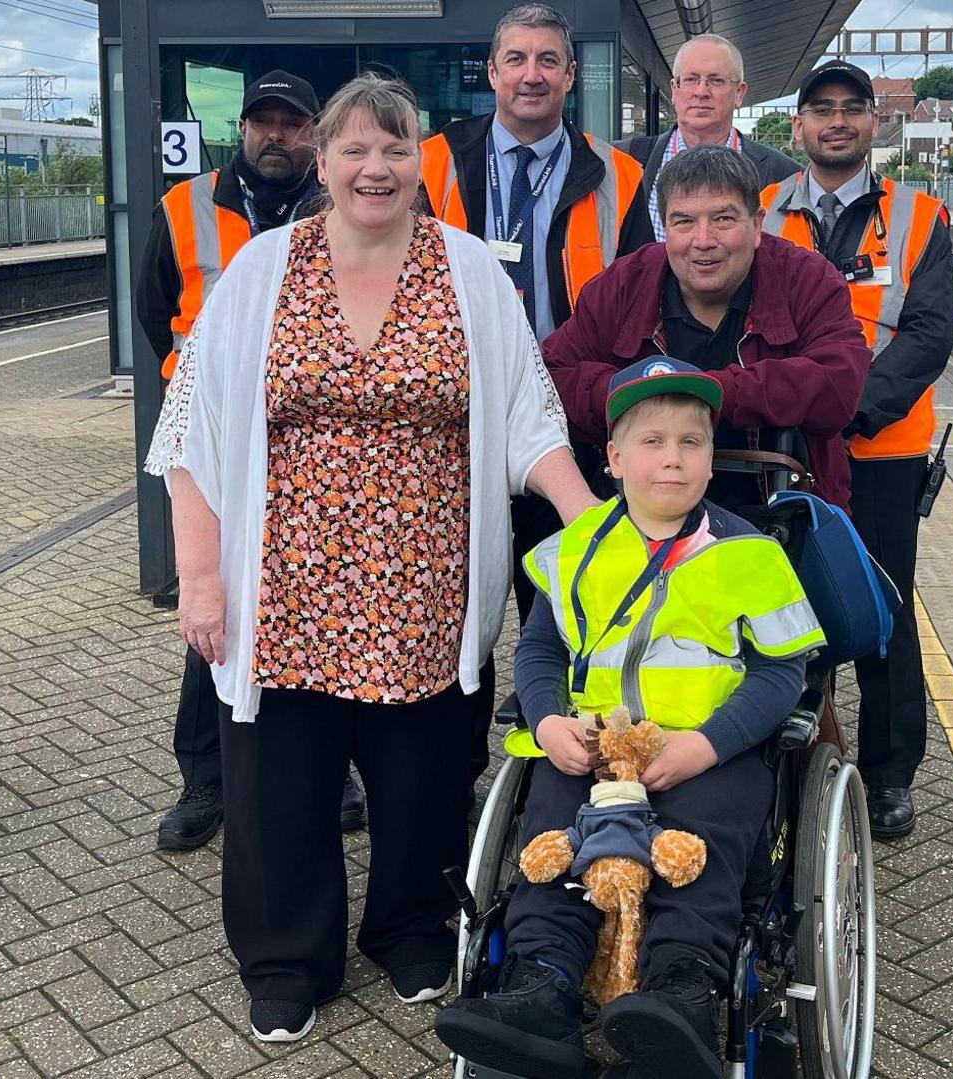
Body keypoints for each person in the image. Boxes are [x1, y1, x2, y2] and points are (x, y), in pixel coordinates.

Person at [143, 73, 599, 1043]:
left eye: (394, 148)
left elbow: (529, 419)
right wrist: (202, 575)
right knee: (281, 785)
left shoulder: (472, 271)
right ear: (323, 162)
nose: (375, 166)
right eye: (354, 148)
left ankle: (410, 925)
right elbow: (190, 431)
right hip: (285, 595)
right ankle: (284, 956)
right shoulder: (262, 272)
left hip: (427, 593)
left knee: (425, 776)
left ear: (419, 161)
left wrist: (590, 517)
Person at [434, 358, 825, 1079]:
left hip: (708, 751)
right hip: (592, 747)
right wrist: (550, 722)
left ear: (712, 459)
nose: (671, 457)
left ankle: (683, 994)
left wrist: (707, 745)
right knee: (551, 832)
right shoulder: (574, 550)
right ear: (613, 459)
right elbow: (543, 652)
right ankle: (541, 985)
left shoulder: (753, 556)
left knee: (700, 842)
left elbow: (781, 675)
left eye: (690, 442)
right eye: (651, 441)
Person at [135, 69, 366, 850]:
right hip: (220, 449)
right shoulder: (185, 208)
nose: (278, 135)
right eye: (263, 121)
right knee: (216, 611)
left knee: (325, 611)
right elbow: (153, 310)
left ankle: (328, 775)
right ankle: (206, 782)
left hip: (312, 448)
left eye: (294, 123)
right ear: (242, 127)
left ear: (317, 138)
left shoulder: (345, 206)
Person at [759, 60, 953, 841]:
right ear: (798, 127)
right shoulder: (765, 209)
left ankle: (889, 773)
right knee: (787, 604)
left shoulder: (919, 215)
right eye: (821, 111)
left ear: (875, 124)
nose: (837, 122)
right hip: (786, 446)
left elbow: (931, 334)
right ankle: (792, 754)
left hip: (879, 451)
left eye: (852, 109)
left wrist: (849, 411)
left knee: (883, 605)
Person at [420, 1, 654, 628]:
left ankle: (550, 717)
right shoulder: (430, 163)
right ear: (492, 73)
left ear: (571, 74)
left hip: (568, 420)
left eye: (548, 60)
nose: (532, 75)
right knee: (449, 608)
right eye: (516, 59)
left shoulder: (619, 175)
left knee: (567, 605)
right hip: (454, 413)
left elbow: (639, 305)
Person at [542, 144, 871, 515]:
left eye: (723, 219)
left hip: (782, 521)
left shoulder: (808, 279)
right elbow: (551, 380)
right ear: (664, 227)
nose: (703, 240)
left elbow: (839, 385)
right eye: (684, 221)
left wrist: (704, 392)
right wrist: (630, 391)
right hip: (639, 523)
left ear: (757, 224)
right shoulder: (621, 285)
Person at [617, 34, 799, 244]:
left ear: (739, 93)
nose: (701, 92)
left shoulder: (785, 175)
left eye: (716, 80)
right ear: (674, 90)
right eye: (691, 79)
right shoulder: (622, 163)